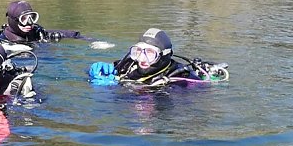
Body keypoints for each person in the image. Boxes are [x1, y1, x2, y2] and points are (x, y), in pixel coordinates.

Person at [89, 28, 229, 87]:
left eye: (150, 53)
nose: (142, 58)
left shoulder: (181, 79)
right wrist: (92, 71)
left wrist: (117, 88)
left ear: (164, 55)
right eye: (138, 51)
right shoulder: (129, 64)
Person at [0, 0, 82, 44]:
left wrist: (90, 40)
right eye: (24, 19)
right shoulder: (1, 41)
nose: (29, 23)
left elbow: (70, 34)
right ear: (14, 20)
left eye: (32, 17)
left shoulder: (36, 33)